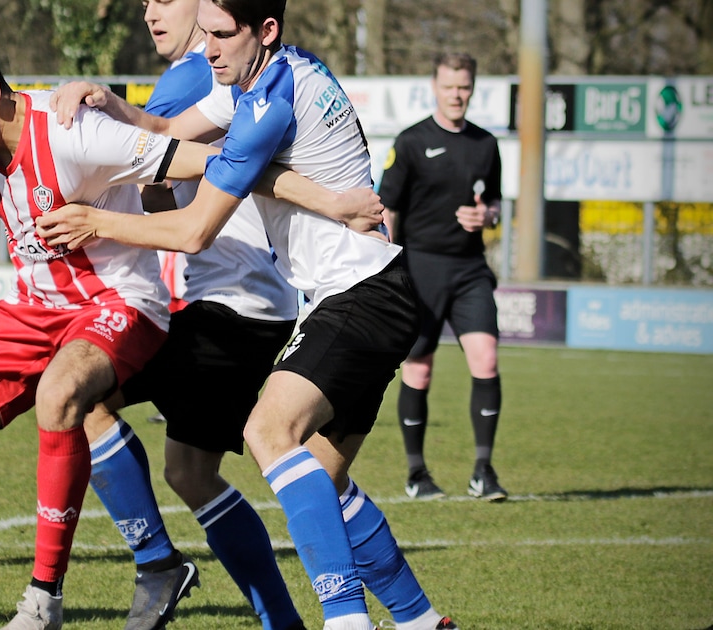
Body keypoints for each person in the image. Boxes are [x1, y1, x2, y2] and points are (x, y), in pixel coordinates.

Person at [0, 35, 372, 630]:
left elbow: (221, 163)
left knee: (69, 398)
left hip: (121, 304)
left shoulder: (72, 133)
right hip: (32, 310)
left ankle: (43, 601)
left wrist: (329, 202)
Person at [39, 1, 459, 628]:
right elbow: (170, 135)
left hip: (360, 292)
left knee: (270, 433)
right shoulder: (269, 75)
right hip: (369, 292)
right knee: (324, 482)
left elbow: (193, 230)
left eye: (222, 34)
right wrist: (110, 102)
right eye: (204, 32)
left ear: (265, 31)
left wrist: (96, 220)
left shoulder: (266, 102)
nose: (207, 48)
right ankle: (422, 621)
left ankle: (346, 622)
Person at [81, 0, 310, 628]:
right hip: (229, 303)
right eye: (146, 0)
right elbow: (156, 162)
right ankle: (272, 615)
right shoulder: (204, 74)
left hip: (234, 306)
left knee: (84, 397)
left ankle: (161, 564)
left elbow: (142, 159)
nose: (152, 10)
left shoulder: (193, 72)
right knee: (187, 468)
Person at [377, 52, 507, 503]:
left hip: (471, 269)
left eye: (465, 86)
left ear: (473, 88)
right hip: (421, 267)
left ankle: (483, 472)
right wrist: (386, 263)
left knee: (486, 360)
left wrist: (486, 215)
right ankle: (417, 474)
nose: (457, 94)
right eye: (450, 86)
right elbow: (387, 205)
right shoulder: (412, 142)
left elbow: (495, 203)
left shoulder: (486, 144)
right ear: (435, 87)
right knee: (419, 368)